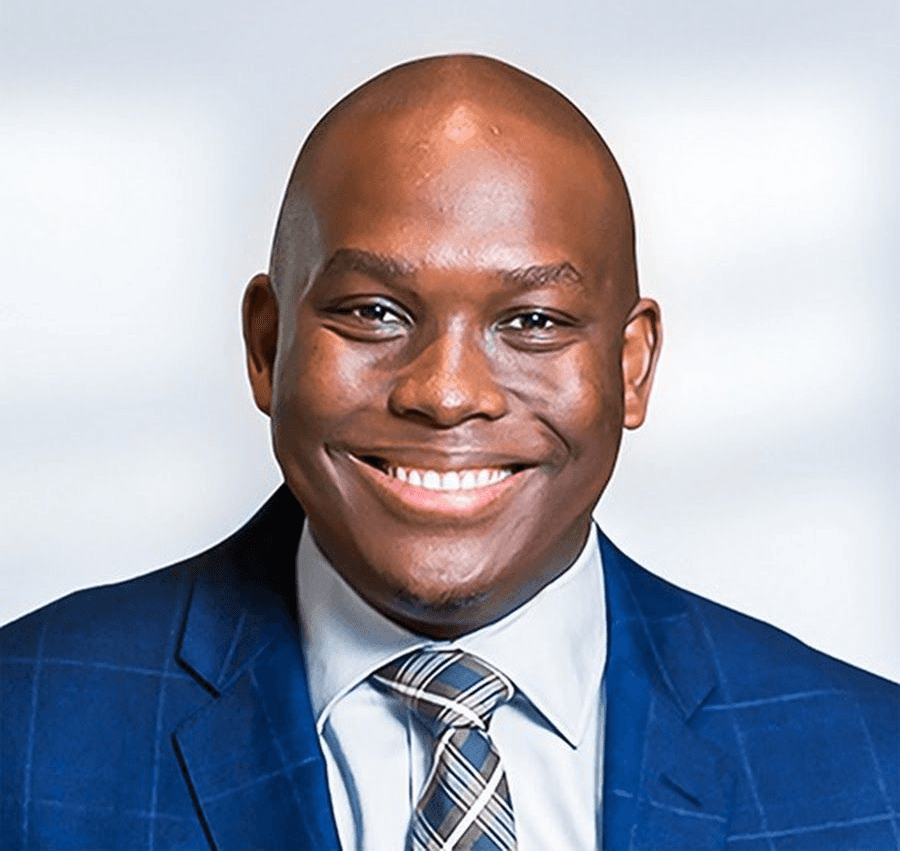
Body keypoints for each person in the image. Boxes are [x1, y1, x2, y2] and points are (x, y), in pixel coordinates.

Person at [1, 54, 897, 851]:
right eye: (374, 313)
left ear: (632, 367)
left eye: (533, 321)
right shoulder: (25, 731)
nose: (447, 391)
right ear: (267, 347)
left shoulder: (872, 771)